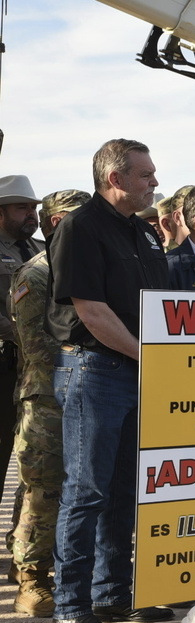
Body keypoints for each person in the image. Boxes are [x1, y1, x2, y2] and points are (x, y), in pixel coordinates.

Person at [47, 139, 173, 623]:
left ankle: (113, 592)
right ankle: (70, 605)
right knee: (86, 490)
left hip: (137, 371)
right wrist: (153, 357)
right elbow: (92, 313)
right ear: (115, 178)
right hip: (96, 369)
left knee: (125, 488)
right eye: (145, 175)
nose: (154, 183)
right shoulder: (80, 227)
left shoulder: (144, 233)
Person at [7, 190, 90, 617]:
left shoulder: (87, 268)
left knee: (84, 490)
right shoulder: (35, 275)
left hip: (86, 392)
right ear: (56, 223)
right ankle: (32, 582)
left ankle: (70, 572)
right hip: (47, 398)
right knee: (44, 492)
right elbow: (36, 346)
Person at [0, 175, 45, 500]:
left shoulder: (40, 250)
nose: (31, 214)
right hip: (5, 363)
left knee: (33, 462)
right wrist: (23, 335)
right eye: (21, 208)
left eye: (33, 208)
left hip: (32, 372)